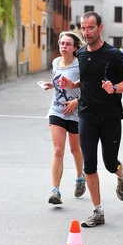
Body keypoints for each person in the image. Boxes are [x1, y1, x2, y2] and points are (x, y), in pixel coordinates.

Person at [60, 11, 123, 227]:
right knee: (89, 165)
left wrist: (114, 88)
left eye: (90, 28)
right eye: (83, 28)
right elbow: (86, 82)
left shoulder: (113, 55)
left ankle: (122, 175)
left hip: (110, 116)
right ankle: (97, 211)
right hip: (86, 116)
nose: (86, 32)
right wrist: (72, 85)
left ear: (100, 28)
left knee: (110, 163)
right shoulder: (81, 54)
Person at [42, 31, 85, 205]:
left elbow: (89, 87)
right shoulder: (55, 63)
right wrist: (51, 84)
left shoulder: (80, 64)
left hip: (75, 111)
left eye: (68, 44)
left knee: (75, 149)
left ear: (75, 47)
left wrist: (76, 101)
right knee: (58, 150)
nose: (64, 47)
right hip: (57, 109)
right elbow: (60, 82)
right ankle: (55, 190)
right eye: (61, 43)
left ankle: (80, 177)